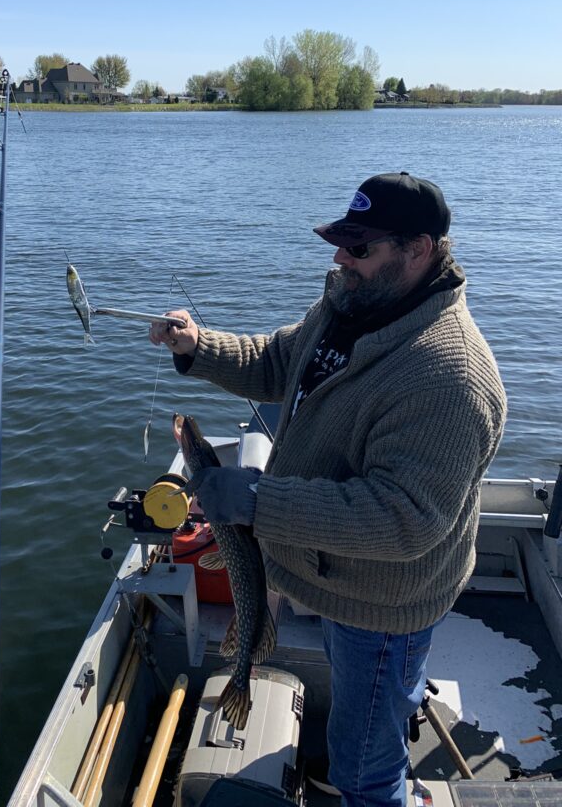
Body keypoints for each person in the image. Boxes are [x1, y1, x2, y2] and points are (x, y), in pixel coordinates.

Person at [149, 172, 507, 807]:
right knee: (360, 719)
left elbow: (404, 519)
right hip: (322, 572)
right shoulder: (352, 303)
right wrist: (199, 348)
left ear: (419, 248)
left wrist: (259, 502)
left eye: (359, 247)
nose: (340, 258)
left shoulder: (450, 376)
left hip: (382, 604)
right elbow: (282, 362)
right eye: (341, 242)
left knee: (367, 771)